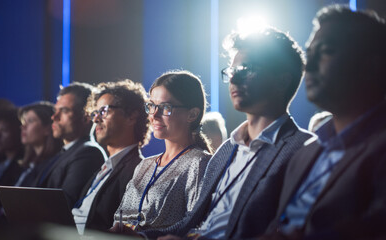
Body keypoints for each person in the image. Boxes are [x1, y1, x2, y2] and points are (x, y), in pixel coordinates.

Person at [154, 27, 313, 240]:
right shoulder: (228, 149)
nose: (233, 80)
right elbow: (189, 223)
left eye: (246, 69)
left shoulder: (302, 149)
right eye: (231, 71)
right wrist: (141, 236)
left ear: (282, 81)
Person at [264, 5, 386, 239]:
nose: (308, 67)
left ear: (373, 64)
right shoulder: (306, 154)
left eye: (326, 51)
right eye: (309, 54)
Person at [110, 70, 212, 234]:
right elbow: (120, 217)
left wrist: (143, 236)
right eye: (151, 106)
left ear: (192, 114)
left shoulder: (200, 163)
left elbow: (194, 225)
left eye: (165, 107)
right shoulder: (145, 165)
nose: (154, 115)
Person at [72, 79, 151, 235]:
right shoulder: (103, 168)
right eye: (95, 113)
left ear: (131, 117)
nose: (95, 120)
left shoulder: (138, 171)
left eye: (104, 111)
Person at [37, 82, 106, 207]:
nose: (54, 117)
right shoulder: (64, 152)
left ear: (85, 118)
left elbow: (64, 205)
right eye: (55, 110)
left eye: (64, 111)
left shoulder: (89, 153)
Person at [15, 101, 63, 187]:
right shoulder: (28, 165)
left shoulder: (54, 166)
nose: (23, 126)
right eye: (24, 122)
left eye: (30, 121)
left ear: (48, 128)